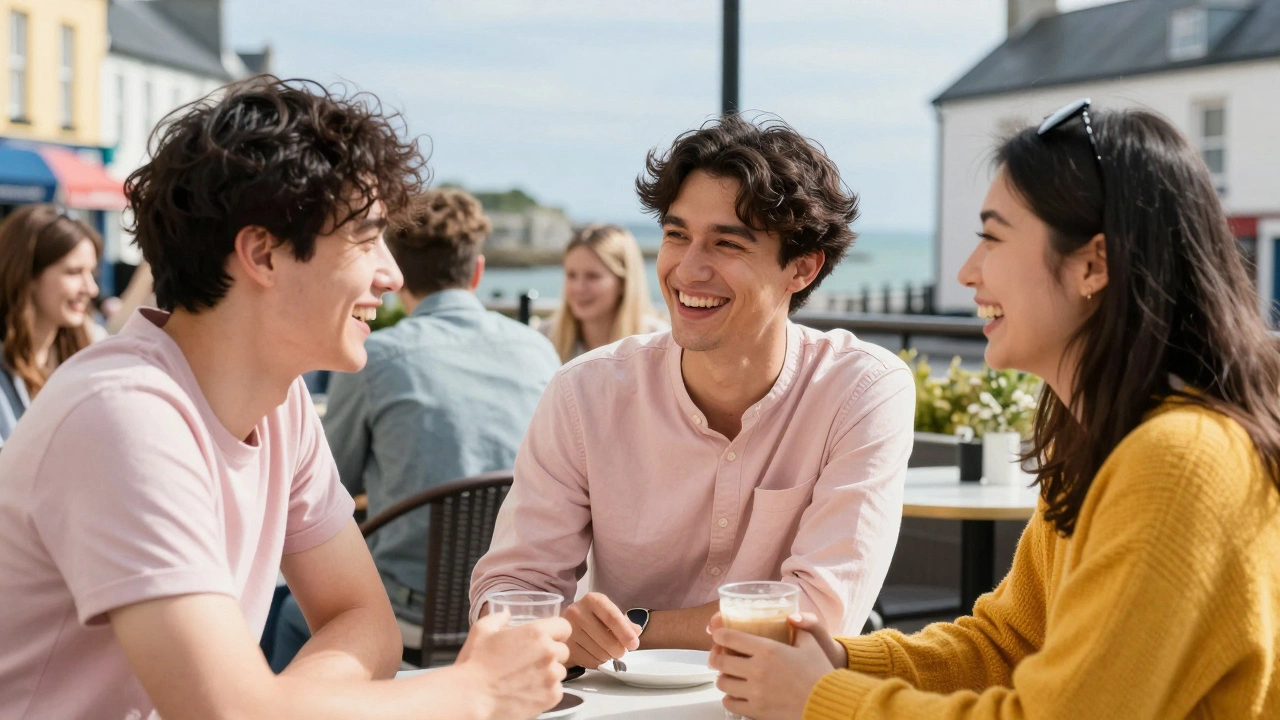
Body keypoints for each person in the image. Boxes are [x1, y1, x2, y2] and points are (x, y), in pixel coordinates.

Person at [0, 76, 569, 720]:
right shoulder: (122, 415)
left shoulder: (282, 400)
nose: (392, 273)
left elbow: (366, 625)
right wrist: (472, 691)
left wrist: (276, 706)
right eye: (366, 237)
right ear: (263, 254)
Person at [706, 103, 1280, 720]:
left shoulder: (1179, 459)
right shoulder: (1099, 440)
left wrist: (823, 699)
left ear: (1093, 264)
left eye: (992, 236)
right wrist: (845, 662)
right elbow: (1008, 643)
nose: (967, 271)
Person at [470, 114, 915, 670]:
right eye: (677, 235)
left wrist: (634, 625)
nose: (688, 268)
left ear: (801, 268)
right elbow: (509, 589)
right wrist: (553, 624)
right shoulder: (583, 393)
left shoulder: (862, 389)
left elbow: (819, 615)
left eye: (726, 244)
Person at [269, 187, 561, 669]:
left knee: (286, 614)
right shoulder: (539, 351)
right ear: (478, 270)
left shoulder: (376, 358)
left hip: (409, 613)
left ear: (399, 273)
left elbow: (326, 488)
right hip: (510, 610)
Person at [0, 204, 101, 446]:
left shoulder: (89, 350)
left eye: (92, 274)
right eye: (74, 272)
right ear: (28, 275)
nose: (91, 288)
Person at [542, 223, 666, 362]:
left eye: (592, 276)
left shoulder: (657, 343)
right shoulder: (545, 338)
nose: (579, 287)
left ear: (623, 282)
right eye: (571, 275)